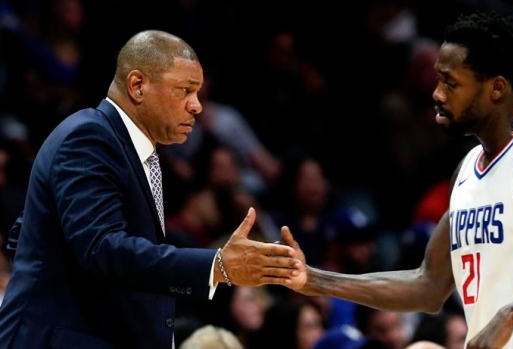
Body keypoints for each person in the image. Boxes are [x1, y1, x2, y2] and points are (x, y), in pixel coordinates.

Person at [278, 10, 513, 349]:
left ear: (496, 88)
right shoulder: (467, 170)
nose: (437, 93)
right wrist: (315, 280)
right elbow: (427, 285)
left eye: (450, 82)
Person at [0, 30, 302, 349]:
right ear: (137, 85)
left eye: (198, 92)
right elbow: (101, 247)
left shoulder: (126, 148)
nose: (197, 106)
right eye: (185, 90)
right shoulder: (90, 138)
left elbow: (29, 235)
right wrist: (218, 265)